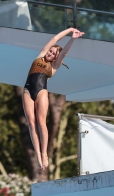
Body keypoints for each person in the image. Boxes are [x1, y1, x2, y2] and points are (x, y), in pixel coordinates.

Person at [22, 27, 84, 170]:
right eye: (50, 50)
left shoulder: (54, 67)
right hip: (27, 91)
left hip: (41, 92)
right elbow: (55, 39)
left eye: (54, 53)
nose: (50, 53)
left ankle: (44, 154)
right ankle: (38, 154)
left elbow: (65, 52)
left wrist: (73, 38)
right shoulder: (40, 55)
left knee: (41, 123)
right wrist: (69, 29)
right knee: (31, 124)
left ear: (56, 57)